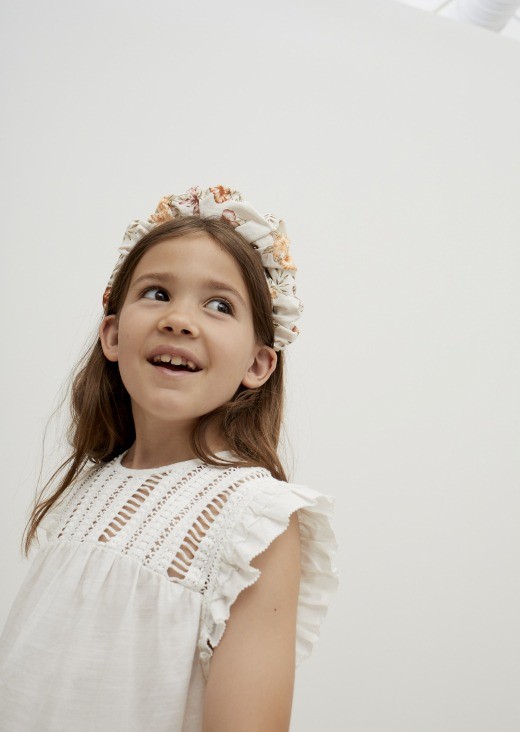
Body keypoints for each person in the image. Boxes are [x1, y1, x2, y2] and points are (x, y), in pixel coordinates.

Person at [0, 184, 339, 731]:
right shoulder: (86, 490)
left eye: (219, 305)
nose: (179, 320)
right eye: (157, 293)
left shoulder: (256, 523)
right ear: (113, 334)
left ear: (258, 363)